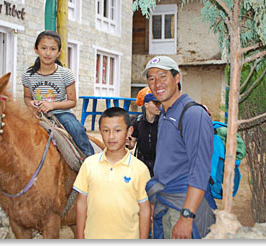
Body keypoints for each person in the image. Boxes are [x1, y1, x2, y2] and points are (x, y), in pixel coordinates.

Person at [143, 56, 216, 239]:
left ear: (177, 78)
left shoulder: (192, 115)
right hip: (165, 202)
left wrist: (187, 216)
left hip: (182, 207)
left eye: (163, 76)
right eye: (151, 78)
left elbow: (200, 170)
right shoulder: (166, 114)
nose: (157, 83)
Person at [73, 107, 151, 239]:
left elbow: (144, 209)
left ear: (129, 132)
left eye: (118, 130)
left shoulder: (140, 169)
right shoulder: (89, 164)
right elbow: (81, 203)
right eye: (106, 130)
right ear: (100, 132)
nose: (111, 136)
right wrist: (80, 237)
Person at [22, 30, 94, 157]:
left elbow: (72, 101)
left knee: (77, 129)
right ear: (36, 49)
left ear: (59, 52)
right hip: (36, 114)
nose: (48, 53)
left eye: (53, 49)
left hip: (61, 113)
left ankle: (90, 159)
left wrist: (52, 105)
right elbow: (27, 97)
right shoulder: (28, 75)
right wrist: (31, 102)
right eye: (43, 48)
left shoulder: (65, 74)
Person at [127, 93, 161, 177]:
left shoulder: (163, 122)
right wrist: (127, 141)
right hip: (142, 163)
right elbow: (131, 145)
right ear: (146, 104)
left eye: (160, 103)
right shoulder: (137, 122)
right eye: (156, 103)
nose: (159, 106)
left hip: (159, 164)